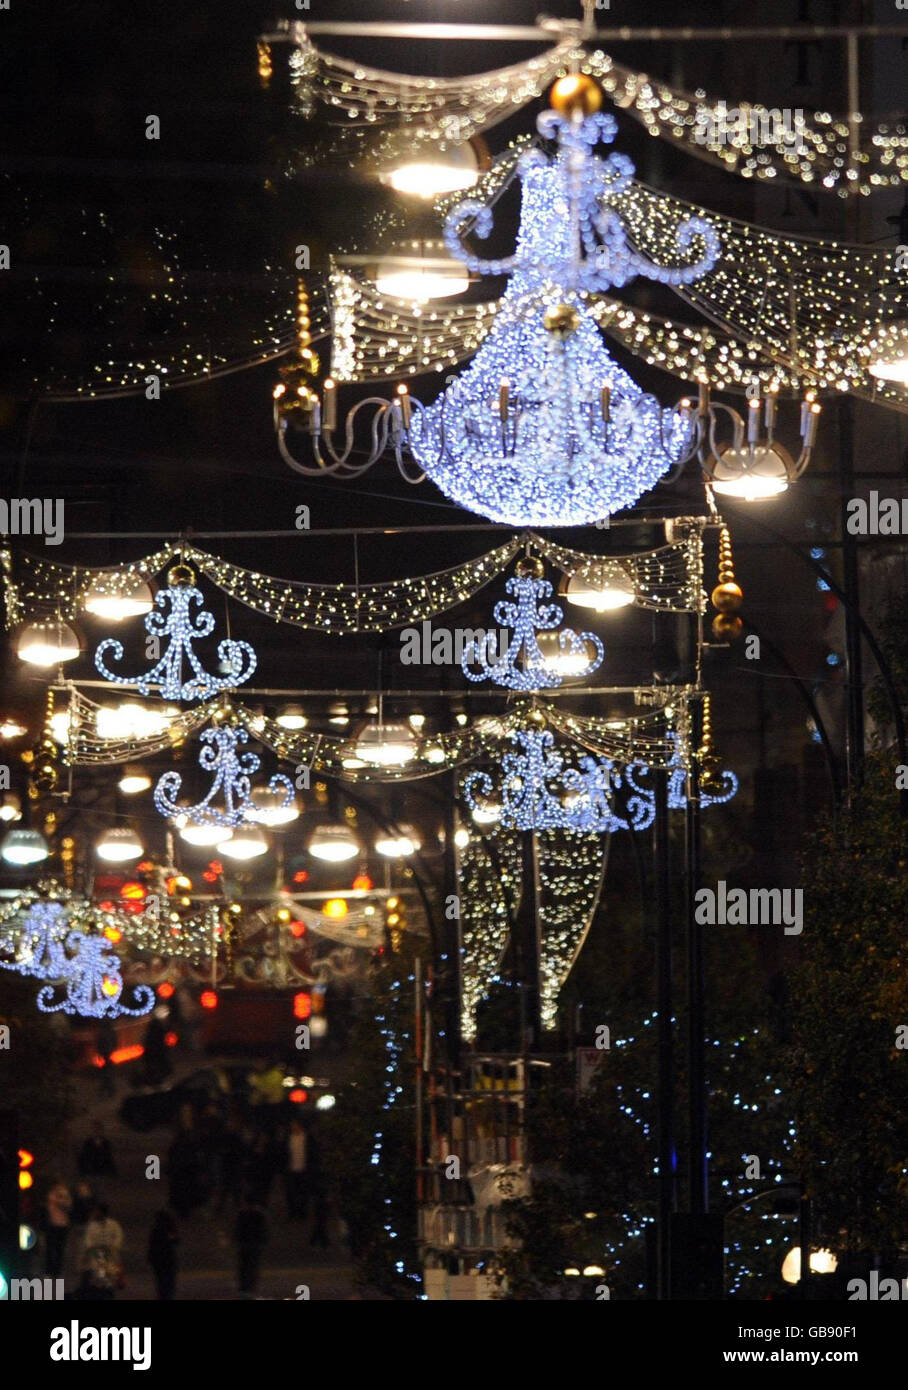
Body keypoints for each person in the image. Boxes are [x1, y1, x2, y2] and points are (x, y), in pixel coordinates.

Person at [77, 1201, 123, 1300]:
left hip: (110, 1256)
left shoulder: (113, 1225)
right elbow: (88, 1241)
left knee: (109, 1279)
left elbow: (118, 1237)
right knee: (97, 1279)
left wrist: (112, 1247)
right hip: (95, 1256)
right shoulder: (92, 1226)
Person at [234, 1191, 268, 1298]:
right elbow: (263, 1230)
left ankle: (244, 1287)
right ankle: (250, 1286)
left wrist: (237, 1239)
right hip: (254, 1243)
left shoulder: (242, 1213)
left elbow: (238, 1229)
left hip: (245, 1243)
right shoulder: (259, 1213)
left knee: (244, 1266)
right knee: (252, 1266)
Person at [147, 1208, 179, 1300]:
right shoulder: (170, 1228)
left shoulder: (156, 1229)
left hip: (160, 1260)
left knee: (161, 1282)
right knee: (168, 1282)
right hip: (168, 1259)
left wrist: (150, 1258)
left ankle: (163, 1296)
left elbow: (152, 1244)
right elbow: (176, 1241)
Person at [43, 1180, 72, 1278]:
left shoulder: (66, 1195)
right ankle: (48, 1270)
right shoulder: (52, 1194)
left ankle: (57, 1271)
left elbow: (67, 1205)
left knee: (60, 1249)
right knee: (50, 1248)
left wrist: (63, 1197)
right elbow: (52, 1201)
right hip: (52, 1225)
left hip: (62, 1225)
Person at [284, 1118, 308, 1221]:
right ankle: (292, 1212)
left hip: (303, 1169)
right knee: (290, 1193)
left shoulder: (306, 1138)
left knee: (303, 1192)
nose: (293, 1128)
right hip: (291, 1169)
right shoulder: (288, 1138)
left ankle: (302, 1213)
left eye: (295, 1125)